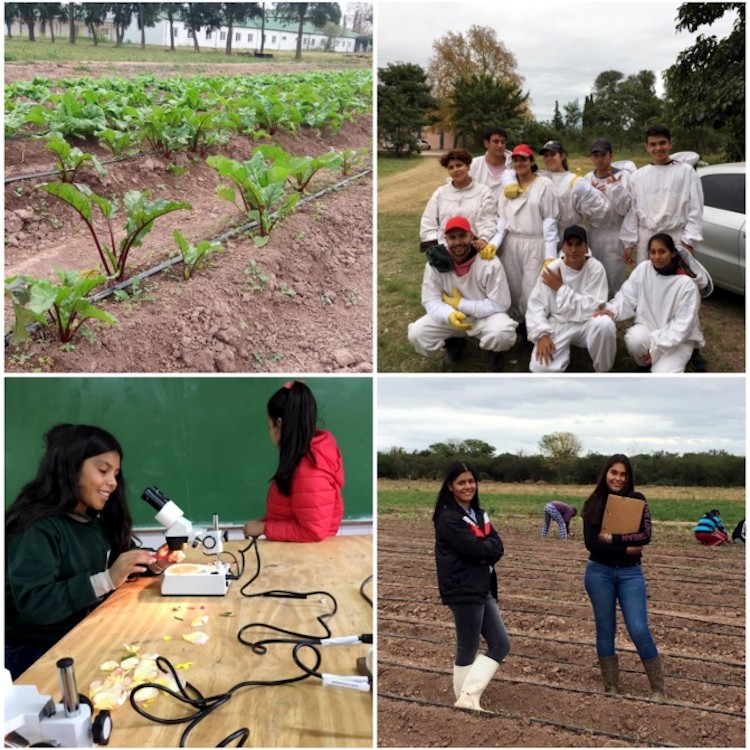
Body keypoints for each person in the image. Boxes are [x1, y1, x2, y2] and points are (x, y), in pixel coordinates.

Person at [5, 424, 160, 680]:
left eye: (116, 473)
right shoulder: (36, 528)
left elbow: (124, 557)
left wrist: (154, 561)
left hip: (77, 635)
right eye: (103, 470)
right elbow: (36, 603)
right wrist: (106, 580)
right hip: (34, 652)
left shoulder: (92, 522)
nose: (112, 482)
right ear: (71, 467)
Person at [582, 454, 664, 699]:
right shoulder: (593, 503)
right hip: (599, 573)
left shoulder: (637, 500)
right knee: (605, 630)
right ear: (605, 474)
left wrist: (612, 539)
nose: (618, 478)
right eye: (613, 472)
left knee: (639, 628)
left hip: (631, 574)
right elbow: (591, 545)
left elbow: (645, 536)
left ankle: (658, 688)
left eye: (622, 474)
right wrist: (626, 548)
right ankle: (611, 686)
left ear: (628, 477)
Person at [433, 461, 510, 711]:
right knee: (468, 646)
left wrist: (485, 551)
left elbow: (496, 546)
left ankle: (466, 697)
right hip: (463, 588)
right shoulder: (449, 518)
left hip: (482, 587)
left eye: (471, 481)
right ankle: (466, 698)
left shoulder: (479, 515)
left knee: (500, 643)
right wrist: (485, 550)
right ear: (450, 486)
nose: (468, 486)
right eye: (461, 482)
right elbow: (475, 548)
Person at [407, 216, 517, 372]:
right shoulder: (436, 262)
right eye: (452, 237)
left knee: (502, 333)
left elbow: (501, 303)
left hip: (484, 317)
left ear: (471, 236)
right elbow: (430, 300)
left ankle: (494, 353)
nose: (458, 242)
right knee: (417, 334)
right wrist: (449, 315)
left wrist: (461, 304)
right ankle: (453, 344)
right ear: (445, 239)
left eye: (462, 236)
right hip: (453, 317)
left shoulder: (488, 262)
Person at [243, 381, 344, 542]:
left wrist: (264, 528)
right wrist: (263, 522)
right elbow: (293, 509)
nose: (270, 434)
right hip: (295, 550)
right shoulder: (301, 459)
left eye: (270, 427)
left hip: (309, 558)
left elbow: (312, 532)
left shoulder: (311, 472)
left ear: (280, 424)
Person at [594, 233, 708, 373]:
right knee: (634, 340)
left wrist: (657, 348)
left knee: (662, 378)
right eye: (652, 252)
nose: (657, 257)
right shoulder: (644, 269)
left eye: (662, 252)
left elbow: (682, 325)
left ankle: (680, 359)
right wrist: (612, 310)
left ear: (672, 253)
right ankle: (644, 366)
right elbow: (627, 296)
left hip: (678, 341)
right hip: (649, 326)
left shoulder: (686, 284)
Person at [525, 225, 616, 373]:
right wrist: (542, 334)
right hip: (558, 323)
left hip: (587, 323)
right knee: (540, 369)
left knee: (604, 324)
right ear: (563, 248)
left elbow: (593, 307)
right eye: (570, 244)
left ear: (586, 247)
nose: (574, 250)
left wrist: (560, 288)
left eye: (578, 244)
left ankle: (603, 371)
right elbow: (535, 305)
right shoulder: (552, 270)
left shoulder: (596, 268)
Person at [486, 144, 559, 324]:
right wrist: (494, 243)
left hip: (535, 242)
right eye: (516, 160)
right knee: (513, 285)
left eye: (523, 159)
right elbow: (502, 220)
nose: (519, 163)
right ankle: (518, 324)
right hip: (511, 243)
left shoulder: (544, 185)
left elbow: (550, 221)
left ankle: (533, 325)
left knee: (532, 288)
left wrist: (550, 255)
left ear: (531, 161)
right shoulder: (508, 188)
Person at [620, 125, 704, 267]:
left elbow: (695, 209)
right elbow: (632, 212)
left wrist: (689, 241)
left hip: (676, 238)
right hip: (647, 238)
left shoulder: (686, 172)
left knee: (677, 282)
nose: (658, 148)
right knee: (648, 282)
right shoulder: (638, 176)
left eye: (662, 143)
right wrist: (629, 243)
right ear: (647, 147)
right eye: (653, 144)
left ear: (670, 144)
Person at [420, 148, 497, 252]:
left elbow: (488, 221)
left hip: (474, 250)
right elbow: (428, 223)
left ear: (468, 166)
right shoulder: (440, 193)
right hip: (447, 250)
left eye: (459, 165)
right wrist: (438, 247)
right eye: (451, 167)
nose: (455, 170)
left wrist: (484, 239)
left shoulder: (484, 192)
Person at [582, 137, 633, 295]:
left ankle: (614, 307)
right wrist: (590, 197)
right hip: (595, 232)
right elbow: (583, 212)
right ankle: (595, 305)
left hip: (615, 232)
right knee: (593, 272)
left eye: (603, 155)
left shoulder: (623, 177)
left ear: (611, 155)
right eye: (595, 155)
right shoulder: (587, 179)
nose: (599, 159)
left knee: (613, 273)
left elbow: (626, 209)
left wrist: (615, 188)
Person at [537, 140, 608, 240]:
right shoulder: (541, 178)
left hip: (571, 236)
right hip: (547, 235)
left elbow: (599, 210)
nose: (549, 158)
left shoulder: (573, 180)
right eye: (546, 156)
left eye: (552, 154)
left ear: (562, 156)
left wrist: (590, 194)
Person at [468, 126, 514, 201]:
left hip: (507, 211)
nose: (500, 145)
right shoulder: (473, 165)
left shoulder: (514, 164)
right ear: (486, 143)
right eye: (496, 142)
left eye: (503, 142)